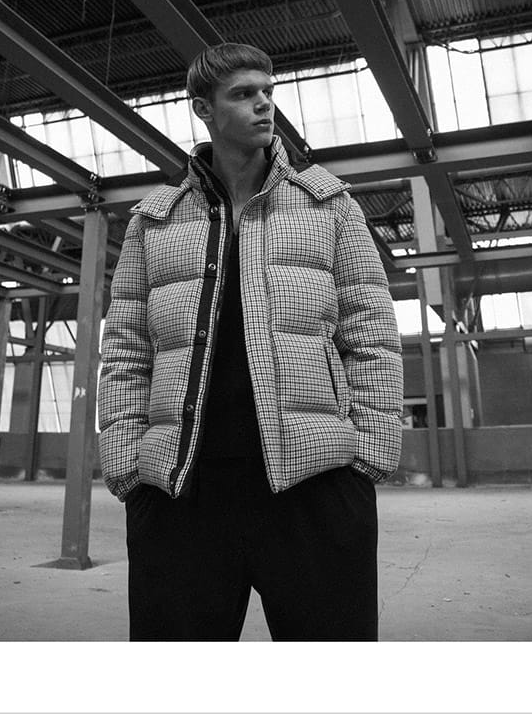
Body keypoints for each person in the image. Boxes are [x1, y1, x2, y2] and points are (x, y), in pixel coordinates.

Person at [98, 42, 403, 641]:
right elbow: (126, 351)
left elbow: (372, 335)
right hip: (182, 493)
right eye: (243, 94)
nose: (264, 104)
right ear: (202, 108)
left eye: (268, 91)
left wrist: (367, 460)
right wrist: (128, 468)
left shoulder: (329, 207)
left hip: (314, 487)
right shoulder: (154, 221)